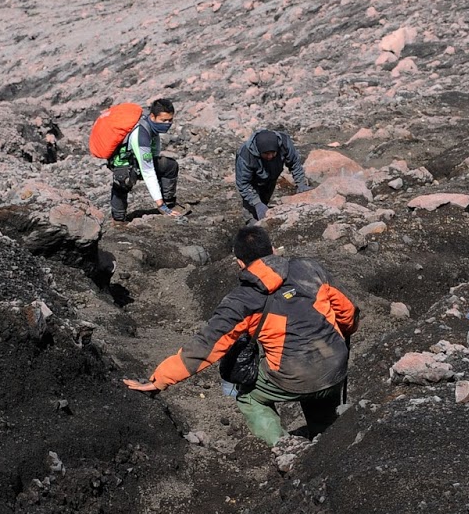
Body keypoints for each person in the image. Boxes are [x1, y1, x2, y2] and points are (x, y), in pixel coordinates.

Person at [123, 226, 357, 444]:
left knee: (249, 396)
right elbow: (348, 313)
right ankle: (326, 440)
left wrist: (159, 380)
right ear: (273, 250)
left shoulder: (241, 301)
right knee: (319, 392)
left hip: (294, 377)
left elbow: (205, 346)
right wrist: (337, 338)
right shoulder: (309, 268)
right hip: (336, 365)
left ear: (239, 263)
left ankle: (284, 448)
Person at [109, 98, 181, 222]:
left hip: (138, 160)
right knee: (123, 182)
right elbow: (148, 172)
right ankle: (118, 219)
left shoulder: (153, 128)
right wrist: (160, 205)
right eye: (164, 120)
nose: (167, 124)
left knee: (170, 166)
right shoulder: (141, 135)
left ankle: (170, 204)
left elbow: (154, 155)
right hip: (124, 164)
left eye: (170, 120)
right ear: (153, 116)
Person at [235, 129, 310, 220]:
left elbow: (294, 163)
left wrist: (301, 183)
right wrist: (256, 203)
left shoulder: (284, 144)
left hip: (271, 177)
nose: (270, 156)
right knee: (253, 211)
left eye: (273, 153)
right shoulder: (245, 156)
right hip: (252, 182)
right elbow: (243, 183)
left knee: (264, 203)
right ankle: (252, 226)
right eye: (266, 154)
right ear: (259, 151)